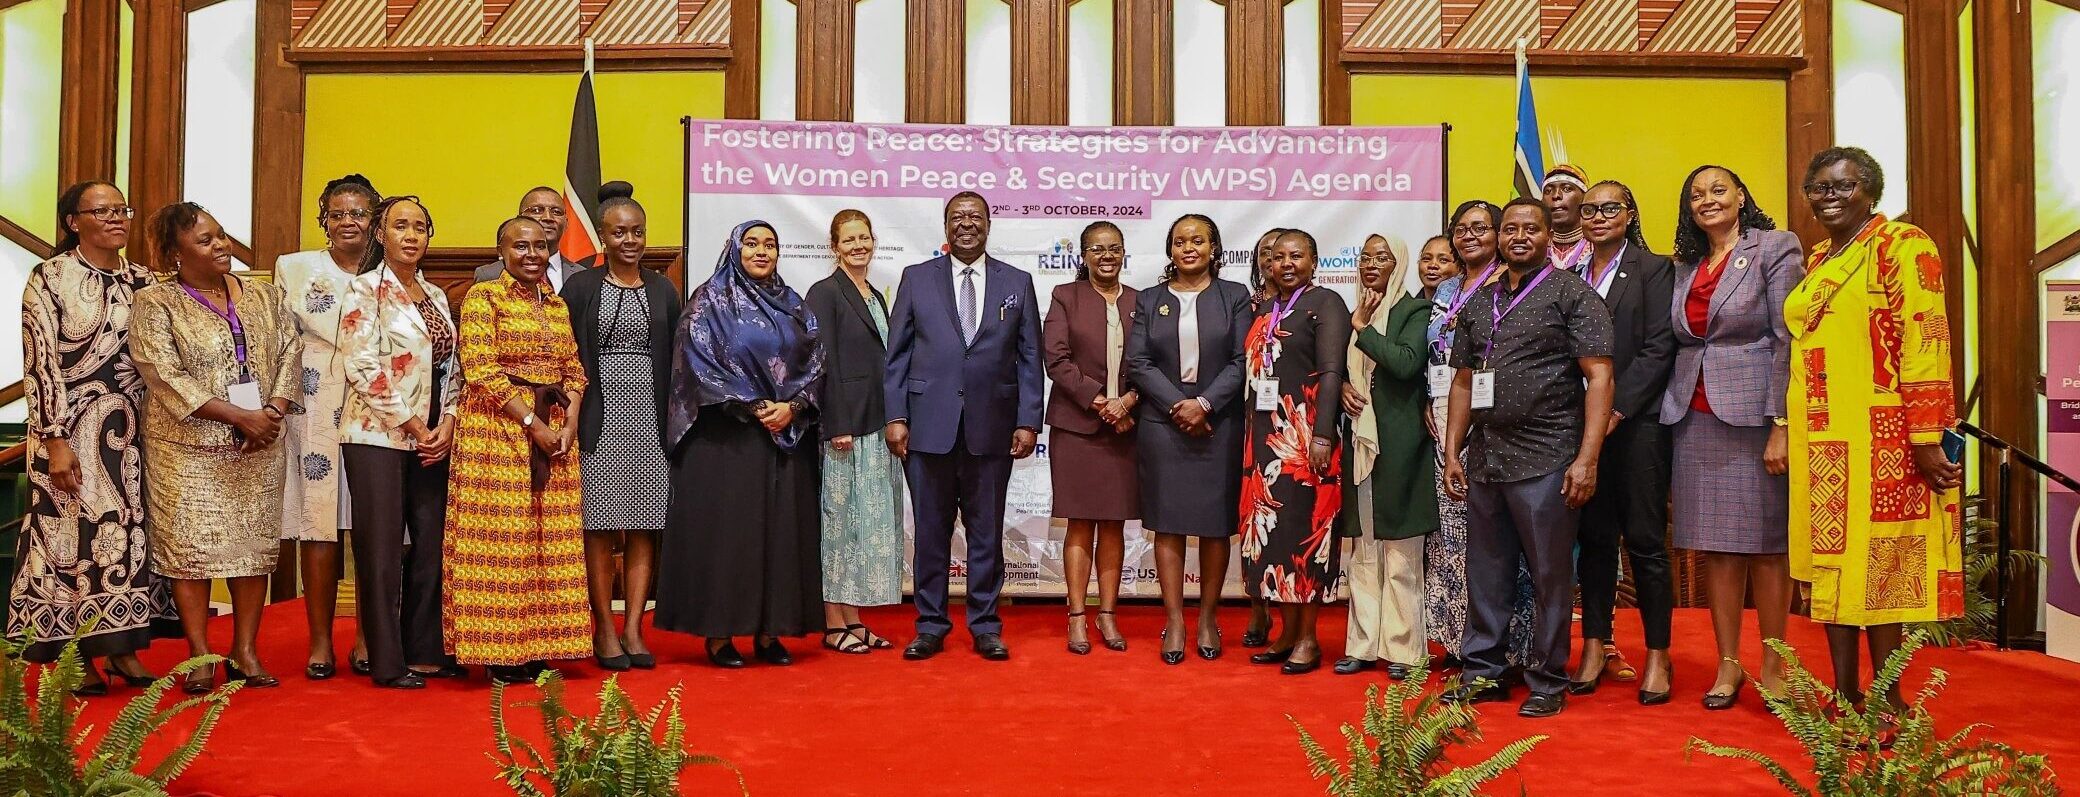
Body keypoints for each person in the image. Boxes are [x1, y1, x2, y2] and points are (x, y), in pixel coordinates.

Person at [1788, 146, 1963, 712]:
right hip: (1820, 436)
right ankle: (1844, 694)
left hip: (1882, 435)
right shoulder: (1818, 258)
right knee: (1832, 570)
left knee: (1882, 572)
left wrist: (1928, 436)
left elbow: (1926, 337)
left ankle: (1889, 699)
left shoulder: (1902, 245)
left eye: (1845, 185)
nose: (1831, 196)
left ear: (1870, 190)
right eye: (1820, 187)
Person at [1440, 198, 1615, 719]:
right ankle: (1483, 674)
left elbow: (1600, 377)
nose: (1519, 236)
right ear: (1497, 237)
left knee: (1549, 576)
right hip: (1487, 460)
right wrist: (1453, 452)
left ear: (1548, 235)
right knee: (1486, 572)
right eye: (1509, 228)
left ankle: (1546, 678)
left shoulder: (1571, 294)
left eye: (1530, 228)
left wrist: (1587, 459)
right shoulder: (1480, 300)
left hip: (1547, 457)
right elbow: (1464, 382)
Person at [9, 181, 176, 695]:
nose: (115, 218)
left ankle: (121, 650)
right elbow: (40, 365)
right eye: (100, 210)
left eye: (122, 208)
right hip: (66, 430)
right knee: (67, 542)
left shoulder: (144, 281)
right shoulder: (50, 278)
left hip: (131, 431)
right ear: (72, 222)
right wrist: (55, 439)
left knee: (123, 537)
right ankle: (74, 655)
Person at [131, 202, 304, 693]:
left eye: (222, 235)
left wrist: (270, 412)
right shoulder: (156, 303)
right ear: (175, 253)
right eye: (206, 241)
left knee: (253, 550)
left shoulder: (264, 296)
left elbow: (291, 349)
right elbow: (162, 373)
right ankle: (201, 655)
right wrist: (239, 416)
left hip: (260, 443)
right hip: (187, 450)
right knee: (192, 551)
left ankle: (245, 651)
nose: (221, 246)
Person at [1663, 164, 1804, 709]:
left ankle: (1775, 660)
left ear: (1741, 195)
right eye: (1695, 194)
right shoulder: (1685, 266)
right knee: (1718, 547)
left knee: (1768, 545)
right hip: (1694, 417)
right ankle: (1728, 663)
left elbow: (1786, 336)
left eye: (1718, 189)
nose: (1707, 200)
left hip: (1754, 418)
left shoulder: (1774, 247)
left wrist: (1781, 424)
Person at [656, 220, 826, 668]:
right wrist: (752, 406)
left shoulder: (794, 306)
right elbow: (698, 364)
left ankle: (771, 633)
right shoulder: (707, 303)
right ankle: (719, 634)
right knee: (729, 537)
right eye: (752, 243)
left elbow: (816, 365)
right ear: (735, 248)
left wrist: (794, 406)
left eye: (770, 244)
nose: (762, 252)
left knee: (780, 536)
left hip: (783, 439)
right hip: (724, 440)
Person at [883, 192, 1044, 662]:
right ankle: (930, 625)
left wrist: (1028, 420)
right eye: (958, 217)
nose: (967, 224)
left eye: (975, 217)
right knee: (930, 534)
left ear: (989, 225)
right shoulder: (916, 279)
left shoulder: (1017, 282)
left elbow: (1030, 357)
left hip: (991, 429)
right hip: (927, 428)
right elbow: (896, 358)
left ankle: (986, 625)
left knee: (986, 534)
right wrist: (895, 416)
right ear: (946, 226)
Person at [446, 217, 591, 685]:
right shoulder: (483, 298)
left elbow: (574, 372)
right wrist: (531, 423)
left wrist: (567, 425)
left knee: (549, 541)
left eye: (540, 246)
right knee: (502, 542)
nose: (532, 254)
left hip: (555, 432)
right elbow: (481, 370)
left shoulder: (556, 303)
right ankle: (499, 651)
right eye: (520, 246)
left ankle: (539, 645)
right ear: (501, 252)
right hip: (497, 431)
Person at [340, 196, 464, 689]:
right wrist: (414, 425)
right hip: (377, 435)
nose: (411, 235)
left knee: (433, 543)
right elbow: (362, 367)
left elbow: (454, 367)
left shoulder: (434, 294)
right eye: (401, 226)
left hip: (435, 437)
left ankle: (425, 649)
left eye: (420, 227)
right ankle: (388, 662)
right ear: (381, 235)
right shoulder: (363, 290)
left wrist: (448, 421)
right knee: (382, 548)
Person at [1567, 180, 1678, 704]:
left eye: (1610, 207)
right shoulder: (1570, 276)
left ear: (1630, 214)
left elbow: (1659, 348)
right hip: (1581, 429)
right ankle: (1593, 645)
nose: (1598, 216)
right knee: (1593, 541)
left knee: (1646, 542)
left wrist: (1614, 409)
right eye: (1589, 209)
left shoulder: (1655, 269)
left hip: (1637, 426)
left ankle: (1658, 653)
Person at [560, 182, 679, 671]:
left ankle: (634, 628)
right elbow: (566, 355)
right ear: (603, 237)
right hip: (598, 421)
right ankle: (603, 628)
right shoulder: (582, 287)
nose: (629, 240)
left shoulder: (662, 288)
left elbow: (675, 360)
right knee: (599, 528)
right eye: (619, 233)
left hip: (650, 421)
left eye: (637, 232)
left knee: (645, 527)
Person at [1126, 213, 1251, 665]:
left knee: (1215, 526)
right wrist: (1179, 405)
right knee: (1170, 524)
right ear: (1170, 250)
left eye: (1198, 240)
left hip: (1218, 425)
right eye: (1180, 242)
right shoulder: (1149, 298)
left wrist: (1204, 405)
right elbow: (1137, 362)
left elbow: (1242, 360)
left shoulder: (1235, 296)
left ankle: (1208, 618)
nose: (1189, 248)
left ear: (1214, 248)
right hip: (1163, 426)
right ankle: (1176, 619)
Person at [273, 173, 379, 680]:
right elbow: (276, 339)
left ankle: (365, 636)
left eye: (358, 213)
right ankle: (319, 641)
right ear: (324, 218)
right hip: (311, 402)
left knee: (371, 523)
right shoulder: (294, 268)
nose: (348, 222)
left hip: (377, 404)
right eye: (338, 213)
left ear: (374, 221)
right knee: (318, 521)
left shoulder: (393, 271)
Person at [1424, 200, 1535, 670]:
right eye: (1461, 229)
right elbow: (1432, 353)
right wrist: (1425, 402)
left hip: (1495, 418)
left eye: (1481, 228)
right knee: (1451, 537)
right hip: (1443, 416)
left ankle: (1510, 646)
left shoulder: (1510, 284)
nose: (1470, 236)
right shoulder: (1447, 287)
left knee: (1497, 539)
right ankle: (1458, 642)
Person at [1240, 229, 1352, 676]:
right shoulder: (1263, 307)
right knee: (1275, 541)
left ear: (1314, 260)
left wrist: (1323, 435)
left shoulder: (1326, 303)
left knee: (1305, 540)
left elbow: (1330, 373)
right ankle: (1286, 633)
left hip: (1305, 441)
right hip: (1263, 439)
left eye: (1297, 256)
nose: (1286, 264)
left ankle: (1308, 638)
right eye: (1279, 257)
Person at [1333, 235, 1437, 680]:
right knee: (1363, 550)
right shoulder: (1351, 308)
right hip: (1359, 443)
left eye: (1383, 257)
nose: (1371, 264)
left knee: (1401, 553)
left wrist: (1363, 328)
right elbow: (1342, 369)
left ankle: (1403, 648)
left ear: (1399, 263)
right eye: (1365, 257)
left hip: (1401, 444)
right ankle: (1361, 643)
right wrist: (1341, 390)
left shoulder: (1415, 310)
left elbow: (1406, 363)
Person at [803, 209, 904, 654]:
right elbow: (822, 364)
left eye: (865, 237)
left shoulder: (875, 295)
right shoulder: (824, 293)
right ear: (834, 246)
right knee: (840, 525)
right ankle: (832, 622)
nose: (859, 245)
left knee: (866, 528)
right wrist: (836, 423)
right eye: (849, 239)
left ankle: (855, 619)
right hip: (844, 430)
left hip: (876, 426)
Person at [1043, 221, 1140, 655]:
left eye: (1114, 248)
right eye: (1097, 249)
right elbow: (1056, 360)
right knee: (1080, 522)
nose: (1106, 256)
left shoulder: (1142, 301)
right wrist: (1103, 404)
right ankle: (1078, 616)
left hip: (1127, 427)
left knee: (1114, 524)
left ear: (1123, 254)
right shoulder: (1066, 296)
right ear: (1082, 256)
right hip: (1079, 427)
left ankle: (1109, 615)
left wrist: (1130, 401)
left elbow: (1152, 361)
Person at [1240, 227, 1288, 649]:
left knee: (1286, 523)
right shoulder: (1247, 304)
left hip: (1292, 427)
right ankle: (1258, 609)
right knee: (1251, 521)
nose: (1274, 259)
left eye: (1281, 251)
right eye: (1266, 252)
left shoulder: (1310, 303)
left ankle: (1291, 613)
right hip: (1248, 424)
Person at [473, 186, 587, 291]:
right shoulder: (490, 274)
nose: (548, 217)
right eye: (537, 210)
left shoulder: (581, 275)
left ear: (566, 223)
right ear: (521, 219)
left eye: (556, 212)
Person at [1543, 165, 1593, 273]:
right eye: (1548, 191)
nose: (1556, 195)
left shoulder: (1599, 246)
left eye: (1566, 189)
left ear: (1585, 199)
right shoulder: (1535, 247)